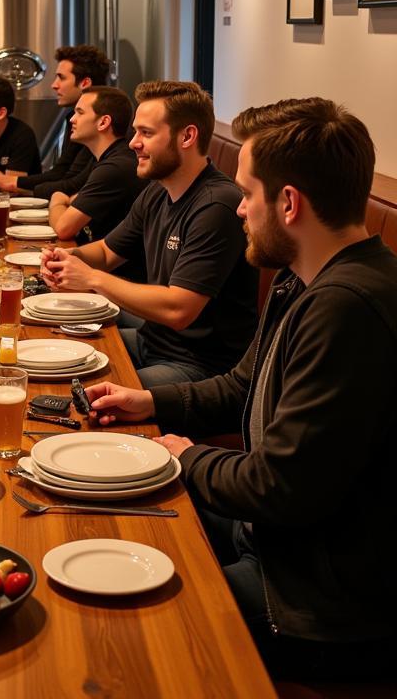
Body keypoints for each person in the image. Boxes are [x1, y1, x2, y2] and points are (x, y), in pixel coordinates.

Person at [84, 98, 397, 679]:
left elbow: (280, 486)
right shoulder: (304, 279)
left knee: (119, 636)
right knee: (103, 511)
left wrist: (184, 457)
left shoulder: (346, 308)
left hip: (316, 597)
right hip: (278, 539)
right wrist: (150, 403)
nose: (239, 210)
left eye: (247, 195)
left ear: (288, 203)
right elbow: (240, 386)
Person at [41, 80, 257, 386]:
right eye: (136, 131)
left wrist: (90, 278)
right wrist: (66, 258)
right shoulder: (158, 190)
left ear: (187, 136)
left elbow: (178, 308)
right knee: (55, 351)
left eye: (147, 133)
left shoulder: (217, 205)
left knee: (84, 397)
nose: (132, 143)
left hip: (199, 366)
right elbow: (105, 253)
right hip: (152, 342)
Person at [0, 44, 109, 199]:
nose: (54, 85)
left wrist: (9, 182)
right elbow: (64, 173)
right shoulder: (73, 118)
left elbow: (72, 181)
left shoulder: (97, 124)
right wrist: (9, 181)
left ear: (84, 83)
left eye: (61, 77)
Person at [47, 86, 143, 245]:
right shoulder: (109, 158)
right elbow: (76, 201)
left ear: (103, 122)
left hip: (115, 268)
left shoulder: (114, 168)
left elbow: (63, 228)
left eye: (80, 112)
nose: (72, 119)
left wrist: (56, 199)